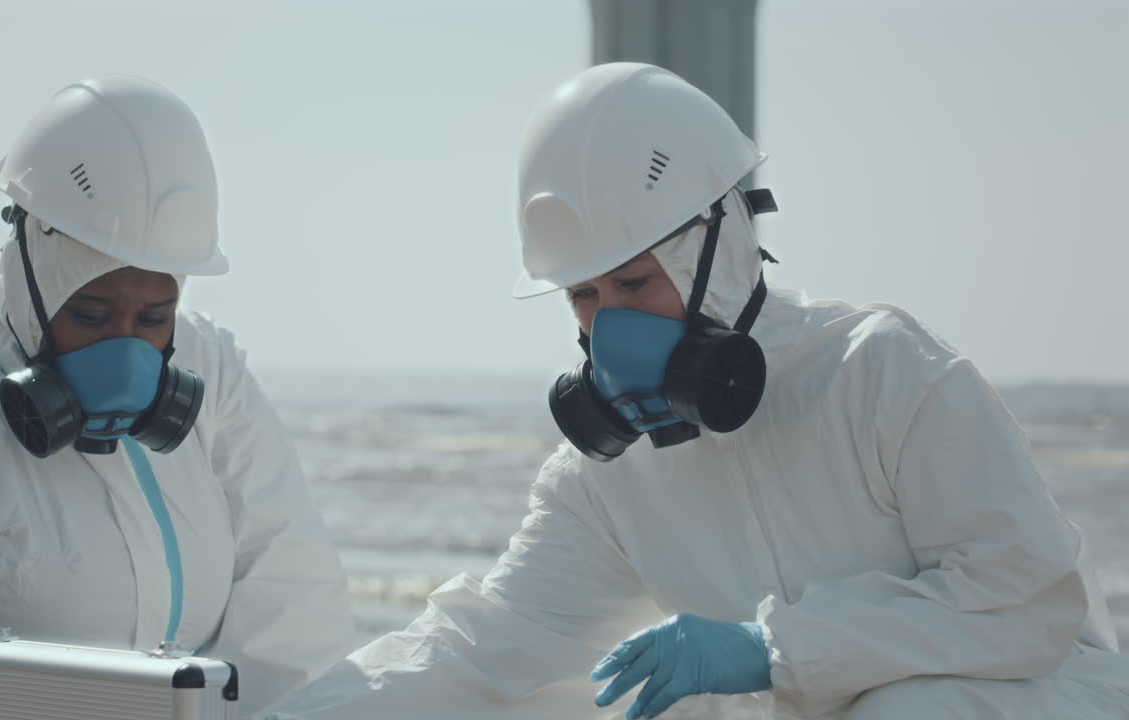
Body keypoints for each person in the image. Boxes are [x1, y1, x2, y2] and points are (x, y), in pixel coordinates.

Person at [272, 63, 1129, 719]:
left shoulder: (885, 370)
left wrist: (772, 647)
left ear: (721, 248)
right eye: (585, 297)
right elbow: (480, 646)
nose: (609, 331)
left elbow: (1028, 601)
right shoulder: (606, 483)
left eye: (637, 284)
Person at [0, 75, 355, 720]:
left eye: (153, 319)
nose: (126, 356)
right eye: (89, 315)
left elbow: (294, 593)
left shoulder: (212, 364)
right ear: (29, 256)